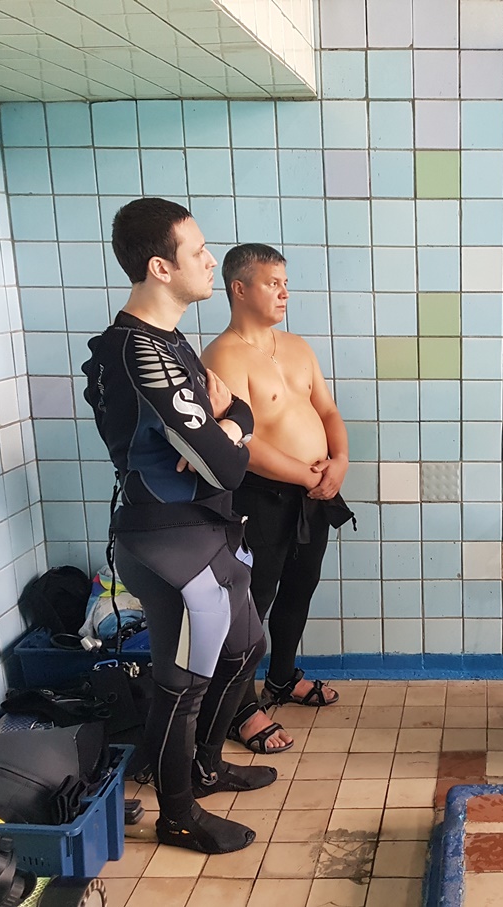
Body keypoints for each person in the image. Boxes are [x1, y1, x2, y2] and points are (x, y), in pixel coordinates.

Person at [81, 198, 275, 854]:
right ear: (160, 267)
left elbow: (234, 413)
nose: (210, 260)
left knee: (246, 647)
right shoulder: (140, 352)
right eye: (197, 252)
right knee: (181, 686)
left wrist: (230, 423)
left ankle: (205, 767)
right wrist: (232, 429)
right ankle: (179, 814)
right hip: (169, 542)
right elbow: (225, 464)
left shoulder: (166, 340)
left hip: (207, 531)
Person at [201, 243, 353, 753]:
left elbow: (328, 410)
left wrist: (339, 461)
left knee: (299, 588)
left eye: (286, 283)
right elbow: (240, 441)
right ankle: (240, 709)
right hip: (259, 497)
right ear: (239, 288)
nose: (284, 293)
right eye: (273, 283)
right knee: (251, 603)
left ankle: (283, 677)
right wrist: (308, 475)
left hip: (315, 492)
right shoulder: (222, 356)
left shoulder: (297, 347)